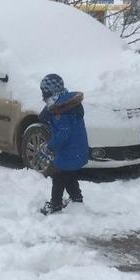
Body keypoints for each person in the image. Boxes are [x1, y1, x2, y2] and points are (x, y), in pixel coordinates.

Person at [37, 73, 89, 215]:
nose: (42, 95)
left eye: (44, 92)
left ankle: (55, 205)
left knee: (58, 177)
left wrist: (50, 146)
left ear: (49, 92)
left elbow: (64, 132)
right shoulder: (64, 103)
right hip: (75, 149)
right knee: (69, 176)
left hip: (68, 151)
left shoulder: (61, 109)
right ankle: (76, 199)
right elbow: (48, 114)